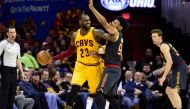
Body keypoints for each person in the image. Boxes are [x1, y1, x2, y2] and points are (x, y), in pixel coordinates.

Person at [52, 12, 120, 108]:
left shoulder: (96, 32)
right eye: (86, 20)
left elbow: (111, 39)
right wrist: (53, 59)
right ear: (80, 22)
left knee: (98, 95)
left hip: (95, 67)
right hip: (81, 65)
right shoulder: (75, 35)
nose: (88, 22)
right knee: (74, 89)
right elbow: (69, 52)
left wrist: (115, 34)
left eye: (89, 20)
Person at [89, 0, 129, 109]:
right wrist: (97, 53)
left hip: (111, 69)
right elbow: (110, 50)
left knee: (99, 92)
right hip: (115, 69)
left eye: (116, 22)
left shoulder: (116, 32)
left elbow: (103, 22)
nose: (113, 21)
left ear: (120, 27)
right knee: (111, 97)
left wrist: (93, 9)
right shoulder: (117, 36)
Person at [150, 29, 188, 109]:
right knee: (168, 90)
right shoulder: (164, 45)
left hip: (180, 68)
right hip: (177, 68)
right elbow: (172, 61)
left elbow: (170, 62)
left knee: (173, 91)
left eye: (155, 36)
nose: (153, 38)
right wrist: (163, 69)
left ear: (160, 37)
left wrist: (163, 77)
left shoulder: (163, 46)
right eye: (152, 36)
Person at [0, 25, 25, 109]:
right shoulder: (3, 44)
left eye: (14, 32)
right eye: (10, 32)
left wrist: (22, 72)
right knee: (4, 94)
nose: (12, 34)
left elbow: (18, 60)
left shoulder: (17, 45)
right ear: (7, 33)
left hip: (14, 71)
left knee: (12, 94)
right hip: (5, 70)